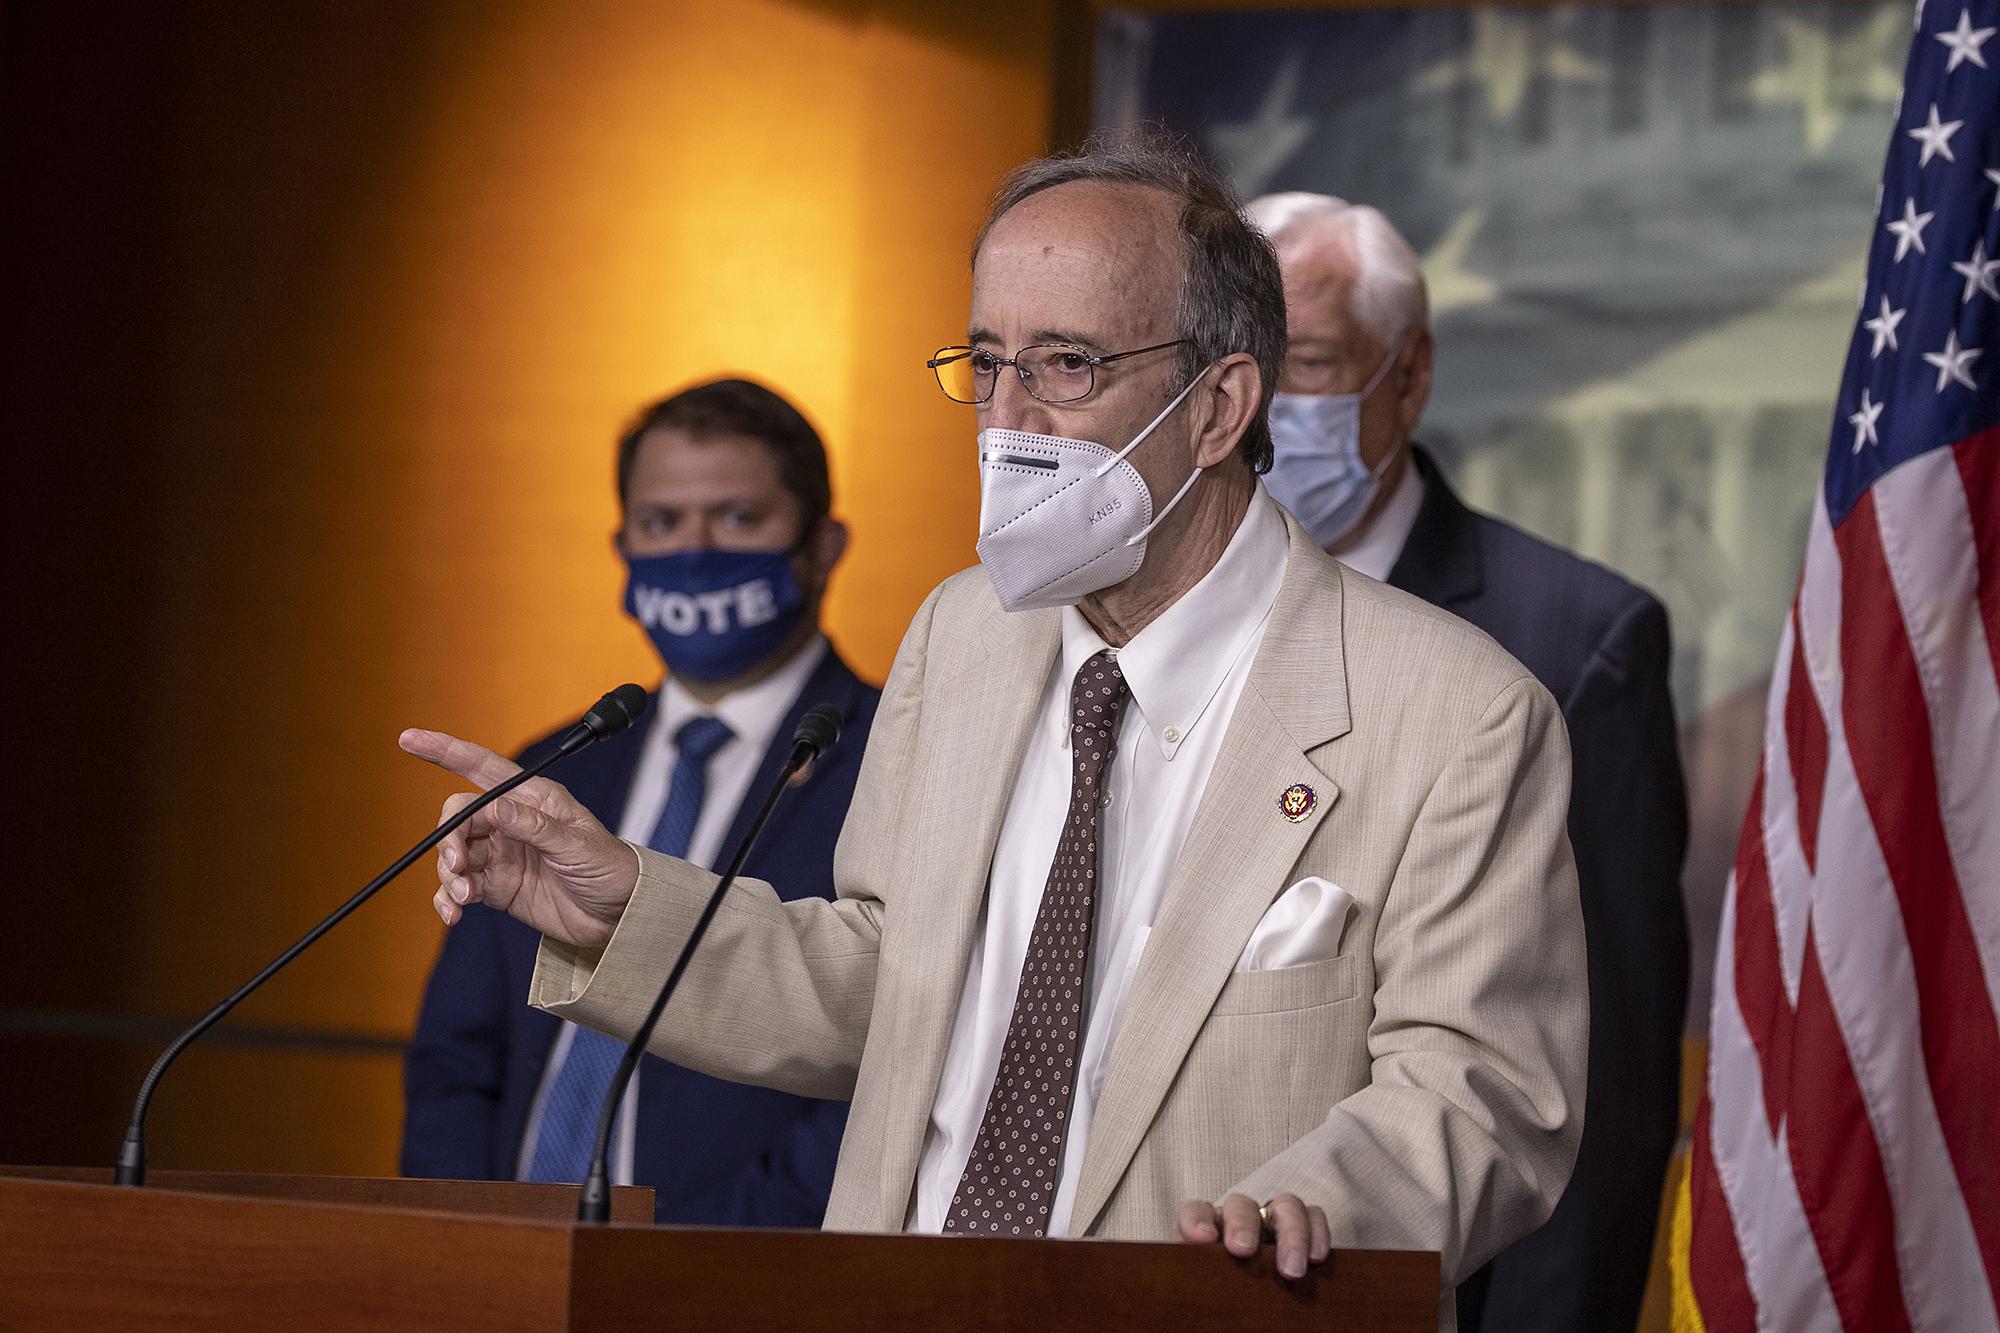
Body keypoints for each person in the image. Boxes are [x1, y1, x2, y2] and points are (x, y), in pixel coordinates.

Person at [403, 132, 1586, 1326]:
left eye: (1065, 364)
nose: (1005, 420)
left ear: (1220, 404)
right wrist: (624, 909)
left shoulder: (1452, 711)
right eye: (986, 361)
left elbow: (1484, 1092)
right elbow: (883, 977)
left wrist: (1310, 1206)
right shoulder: (960, 635)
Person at [1247, 191, 1690, 1333]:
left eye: (1302, 363)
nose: (1257, 404)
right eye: (1231, 360)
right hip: (1175, 1266)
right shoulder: (1147, 620)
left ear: (1408, 375)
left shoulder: (1570, 640)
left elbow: (1593, 1084)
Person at [400, 377, 880, 1226]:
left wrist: (692, 1265)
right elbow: (457, 1061)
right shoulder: (558, 769)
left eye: (736, 517)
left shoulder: (893, 760)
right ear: (623, 544)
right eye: (662, 523)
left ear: (824, 545)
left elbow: (889, 1074)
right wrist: (464, 1243)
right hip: (503, 1275)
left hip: (741, 1280)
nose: (695, 550)